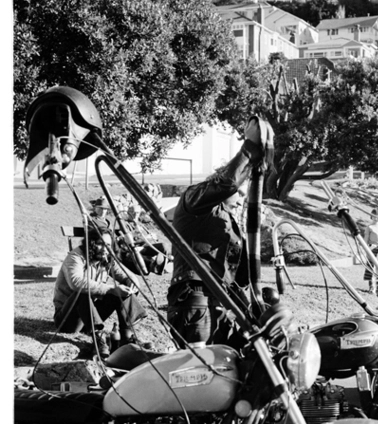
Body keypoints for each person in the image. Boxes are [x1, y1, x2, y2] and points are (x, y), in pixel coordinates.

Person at [166, 117, 273, 348]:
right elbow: (228, 183)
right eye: (240, 191)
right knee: (203, 373)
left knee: (244, 362)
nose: (243, 196)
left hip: (217, 301)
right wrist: (249, 148)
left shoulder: (226, 220)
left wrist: (253, 310)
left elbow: (235, 279)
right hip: (195, 301)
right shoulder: (195, 200)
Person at [53, 227, 147, 359]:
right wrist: (111, 289)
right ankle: (98, 339)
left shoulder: (106, 259)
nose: (105, 249)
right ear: (91, 243)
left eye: (108, 245)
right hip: (68, 319)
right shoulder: (76, 257)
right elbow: (76, 282)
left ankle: (127, 337)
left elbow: (128, 276)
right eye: (100, 244)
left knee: (122, 291)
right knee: (83, 291)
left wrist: (131, 283)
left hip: (90, 317)